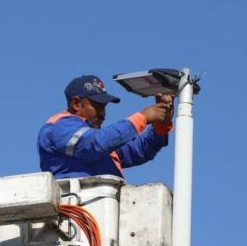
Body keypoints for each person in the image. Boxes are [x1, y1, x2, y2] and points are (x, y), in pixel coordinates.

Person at [38, 75, 174, 179]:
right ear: (76, 103)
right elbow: (94, 144)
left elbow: (140, 150)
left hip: (102, 209)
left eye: (104, 107)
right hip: (77, 208)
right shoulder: (59, 126)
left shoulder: (99, 141)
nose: (102, 113)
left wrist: (161, 124)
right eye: (97, 106)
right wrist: (142, 117)